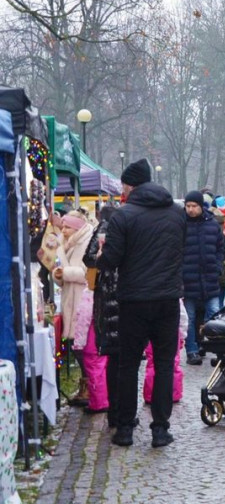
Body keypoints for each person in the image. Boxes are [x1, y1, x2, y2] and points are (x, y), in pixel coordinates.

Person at [96, 158, 186, 448]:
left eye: (123, 185)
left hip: (133, 300)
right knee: (163, 364)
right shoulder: (177, 213)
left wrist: (101, 253)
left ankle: (124, 429)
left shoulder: (124, 216)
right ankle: (160, 429)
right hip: (167, 299)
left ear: (131, 186)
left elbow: (111, 260)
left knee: (127, 365)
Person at [54, 211, 100, 408]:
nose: (64, 231)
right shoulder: (70, 242)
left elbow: (87, 273)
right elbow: (62, 271)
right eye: (63, 227)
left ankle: (91, 387)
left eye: (67, 227)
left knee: (84, 347)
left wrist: (65, 273)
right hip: (70, 299)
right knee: (76, 346)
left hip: (83, 301)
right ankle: (86, 386)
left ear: (77, 227)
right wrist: (58, 274)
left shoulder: (87, 240)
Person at [181, 191, 225, 366]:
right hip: (188, 279)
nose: (190, 210)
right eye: (188, 206)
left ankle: (218, 349)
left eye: (194, 206)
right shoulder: (181, 225)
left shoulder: (212, 225)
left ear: (201, 206)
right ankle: (191, 350)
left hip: (209, 278)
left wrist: (217, 267)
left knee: (215, 314)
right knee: (190, 318)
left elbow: (220, 248)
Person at [83, 206, 118, 419]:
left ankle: (114, 410)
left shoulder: (104, 229)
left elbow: (89, 258)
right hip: (127, 297)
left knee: (109, 355)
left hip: (108, 295)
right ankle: (120, 412)